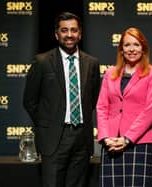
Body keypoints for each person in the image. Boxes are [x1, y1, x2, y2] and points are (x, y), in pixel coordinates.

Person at [23, 12, 100, 187]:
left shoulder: (92, 63)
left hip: (82, 136)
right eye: (64, 30)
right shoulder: (42, 62)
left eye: (73, 30)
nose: (69, 34)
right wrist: (48, 124)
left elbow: (93, 99)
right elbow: (29, 100)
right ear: (56, 34)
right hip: (54, 138)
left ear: (80, 34)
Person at [96, 27, 152, 187]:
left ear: (143, 48)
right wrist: (105, 137)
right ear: (121, 49)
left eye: (136, 45)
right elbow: (102, 106)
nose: (132, 49)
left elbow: (150, 110)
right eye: (127, 45)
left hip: (138, 144)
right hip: (111, 144)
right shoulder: (110, 73)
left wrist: (127, 139)